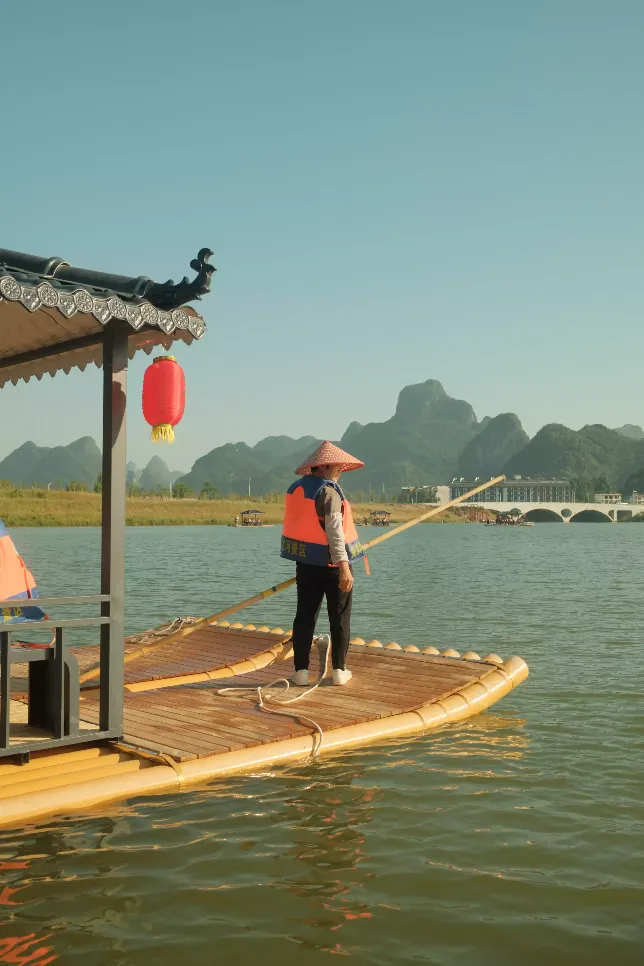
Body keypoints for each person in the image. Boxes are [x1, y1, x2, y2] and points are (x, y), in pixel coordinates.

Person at [280, 441, 366, 686]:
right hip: (332, 567)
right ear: (325, 466)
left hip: (305, 564)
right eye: (338, 467)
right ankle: (339, 671)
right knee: (339, 617)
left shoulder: (296, 489)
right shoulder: (328, 492)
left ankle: (300, 672)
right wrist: (344, 567)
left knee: (305, 616)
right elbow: (335, 533)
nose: (340, 471)